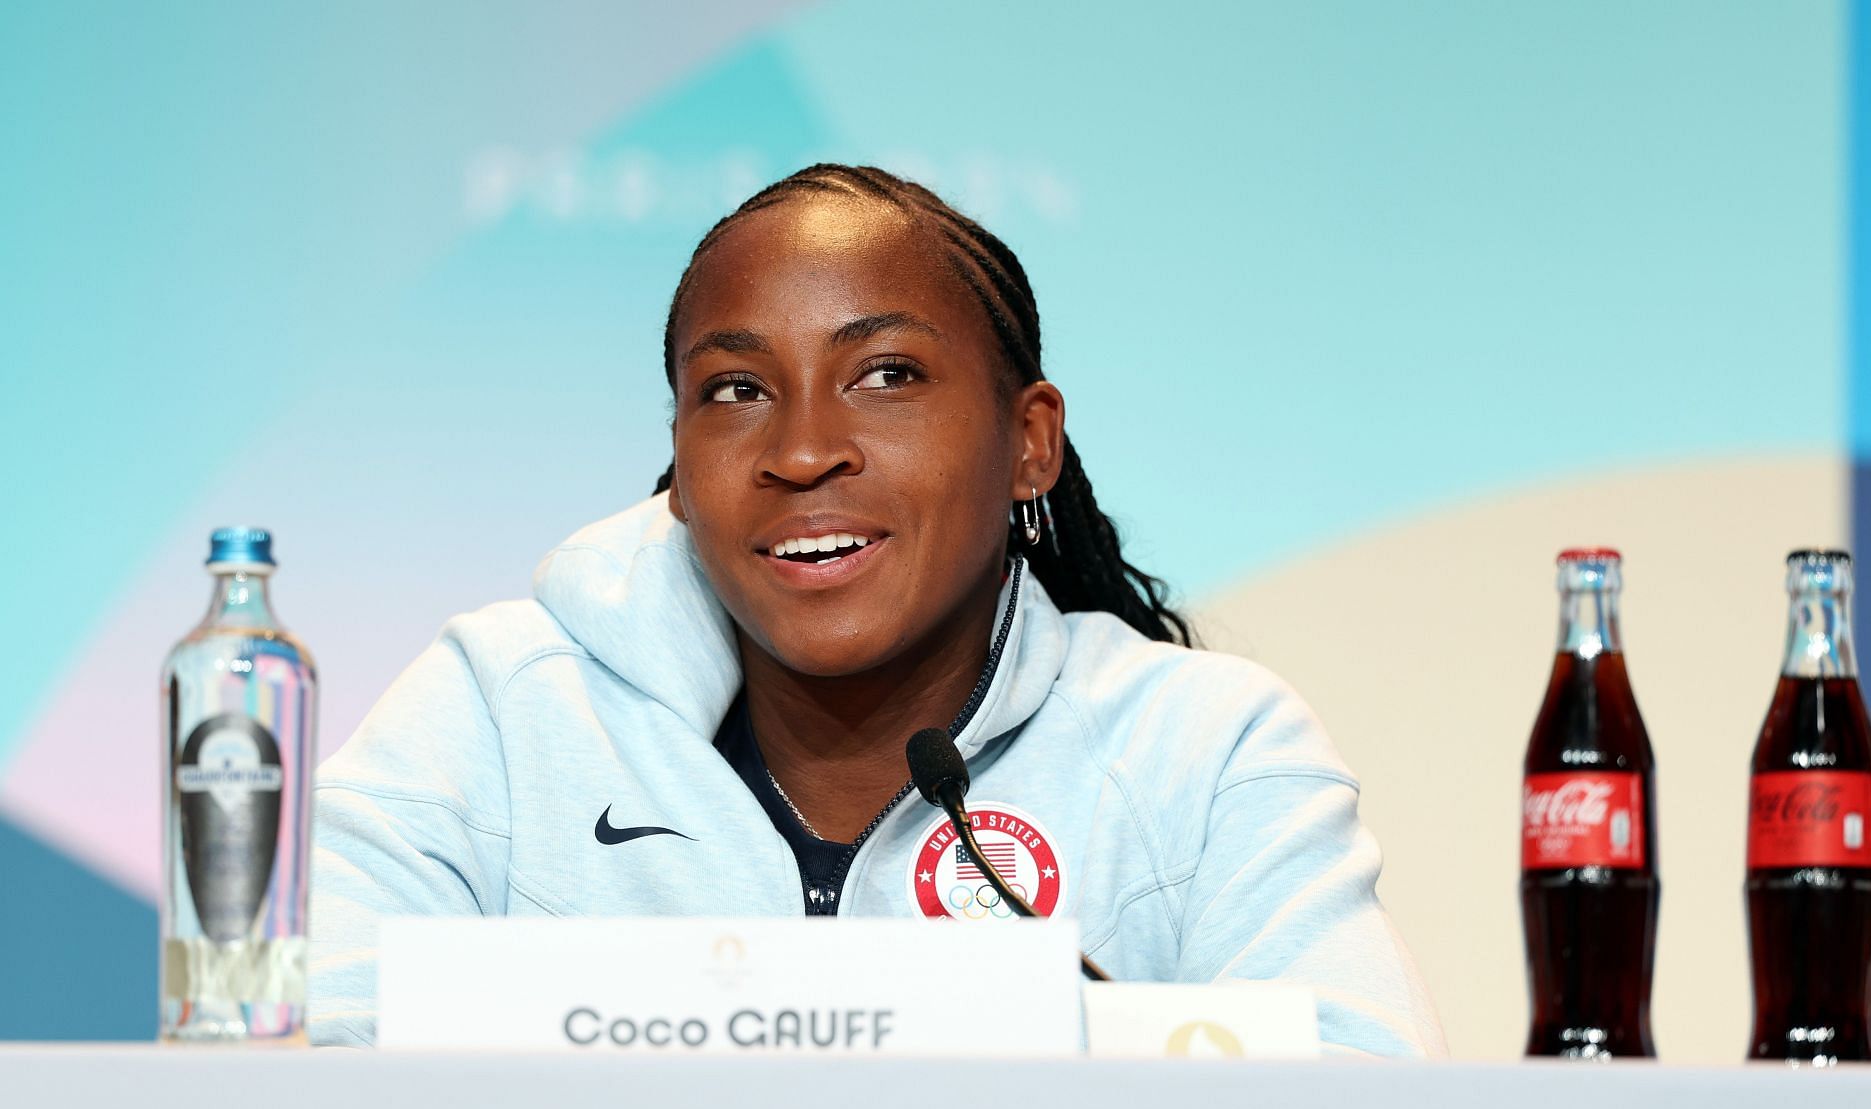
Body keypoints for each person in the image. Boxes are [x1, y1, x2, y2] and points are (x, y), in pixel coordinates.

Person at [308, 164, 1443, 1055]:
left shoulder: (1201, 751)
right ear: (678, 455)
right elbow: (289, 1081)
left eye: (886, 375)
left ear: (1029, 443)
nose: (802, 451)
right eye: (736, 390)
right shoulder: (501, 714)